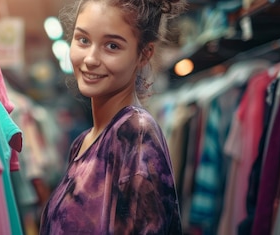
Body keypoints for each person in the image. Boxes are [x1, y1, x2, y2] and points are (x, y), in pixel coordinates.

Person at [39, 0, 186, 234]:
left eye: (112, 46)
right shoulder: (83, 142)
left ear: (144, 54)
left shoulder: (135, 134)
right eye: (83, 40)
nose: (90, 59)